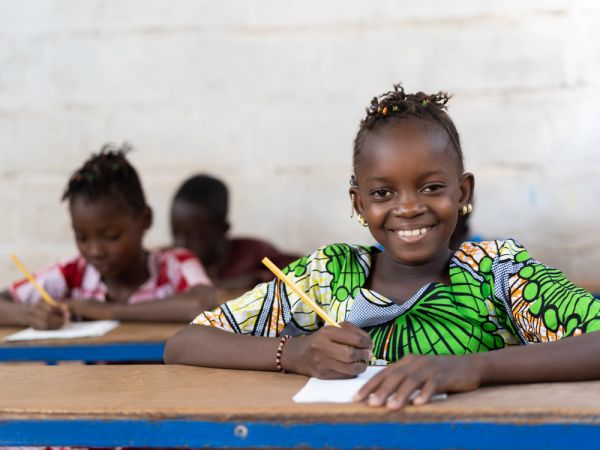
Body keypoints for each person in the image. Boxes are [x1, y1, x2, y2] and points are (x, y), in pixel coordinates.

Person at [164, 85, 600, 409]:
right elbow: (184, 344)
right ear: (358, 202)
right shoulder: (325, 275)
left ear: (463, 192)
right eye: (382, 194)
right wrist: (293, 352)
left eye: (431, 187)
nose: (408, 208)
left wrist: (475, 367)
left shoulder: (498, 272)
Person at [0, 144, 218, 330]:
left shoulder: (175, 264)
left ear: (145, 220)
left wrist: (108, 311)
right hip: (94, 381)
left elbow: (200, 303)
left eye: (111, 236)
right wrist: (31, 315)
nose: (95, 251)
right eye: (82, 238)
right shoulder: (72, 273)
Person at [170, 174, 300, 289]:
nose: (182, 243)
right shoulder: (168, 261)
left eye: (195, 236)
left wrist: (259, 278)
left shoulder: (252, 253)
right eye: (175, 232)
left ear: (223, 228)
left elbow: (302, 271)